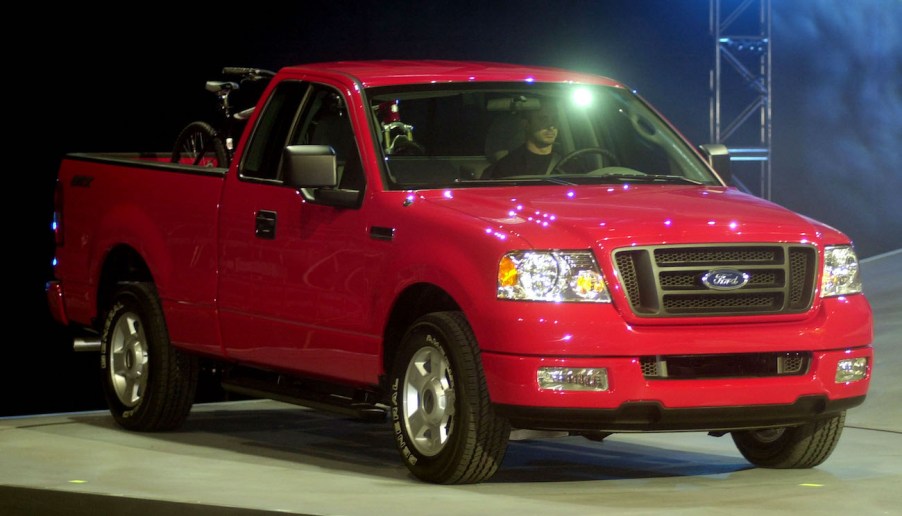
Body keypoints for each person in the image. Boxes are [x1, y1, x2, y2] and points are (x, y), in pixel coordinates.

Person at [488, 102, 561, 178]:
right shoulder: (508, 166)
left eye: (555, 119)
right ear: (525, 124)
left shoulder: (567, 160)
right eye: (543, 119)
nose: (551, 126)